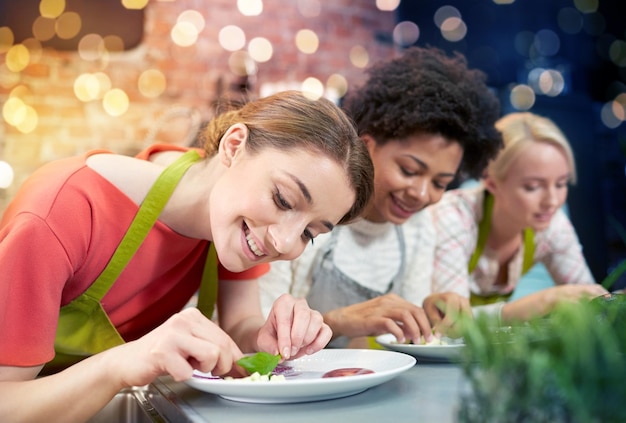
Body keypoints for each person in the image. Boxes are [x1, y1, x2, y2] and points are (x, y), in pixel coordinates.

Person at [0, 90, 374, 422]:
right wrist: (124, 362)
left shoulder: (228, 214)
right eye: (283, 200)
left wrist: (265, 339)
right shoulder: (60, 214)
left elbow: (240, 323)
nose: (283, 240)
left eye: (309, 233)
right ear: (233, 146)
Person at [259, 47, 503, 348]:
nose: (422, 194)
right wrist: (335, 323)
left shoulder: (419, 229)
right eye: (409, 170)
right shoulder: (308, 213)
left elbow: (405, 342)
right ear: (367, 145)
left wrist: (426, 317)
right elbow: (254, 333)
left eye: (441, 183)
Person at [428, 111, 609, 324]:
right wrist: (543, 301)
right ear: (491, 182)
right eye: (533, 187)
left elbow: (591, 302)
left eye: (561, 184)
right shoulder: (453, 216)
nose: (552, 201)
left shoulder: (552, 224)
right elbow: (451, 322)